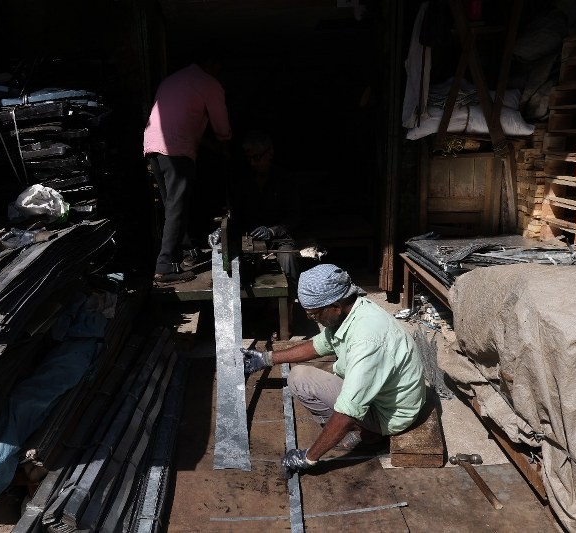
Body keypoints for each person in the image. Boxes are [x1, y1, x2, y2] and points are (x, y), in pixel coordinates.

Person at [240, 263, 426, 476]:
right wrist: (266, 359)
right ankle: (365, 429)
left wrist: (309, 457)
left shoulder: (367, 340)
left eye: (314, 314)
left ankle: (371, 435)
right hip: (384, 396)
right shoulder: (354, 310)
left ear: (335, 306)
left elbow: (348, 411)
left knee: (305, 383)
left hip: (391, 414)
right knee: (299, 376)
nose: (313, 319)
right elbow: (319, 345)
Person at [144, 49, 232, 284]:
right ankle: (164, 267)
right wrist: (226, 146)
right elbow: (221, 124)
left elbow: (185, 122)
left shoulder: (174, 79)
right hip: (175, 148)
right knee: (177, 205)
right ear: (212, 64)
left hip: (153, 145)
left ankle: (183, 251)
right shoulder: (208, 83)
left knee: (171, 204)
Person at [237, 131, 301, 325]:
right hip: (251, 237)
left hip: (280, 237)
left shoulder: (285, 179)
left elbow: (296, 216)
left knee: (288, 259)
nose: (253, 163)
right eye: (249, 158)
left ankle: (287, 316)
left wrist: (273, 230)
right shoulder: (243, 180)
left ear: (269, 153)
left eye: (257, 157)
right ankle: (251, 315)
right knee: (239, 264)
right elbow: (237, 214)